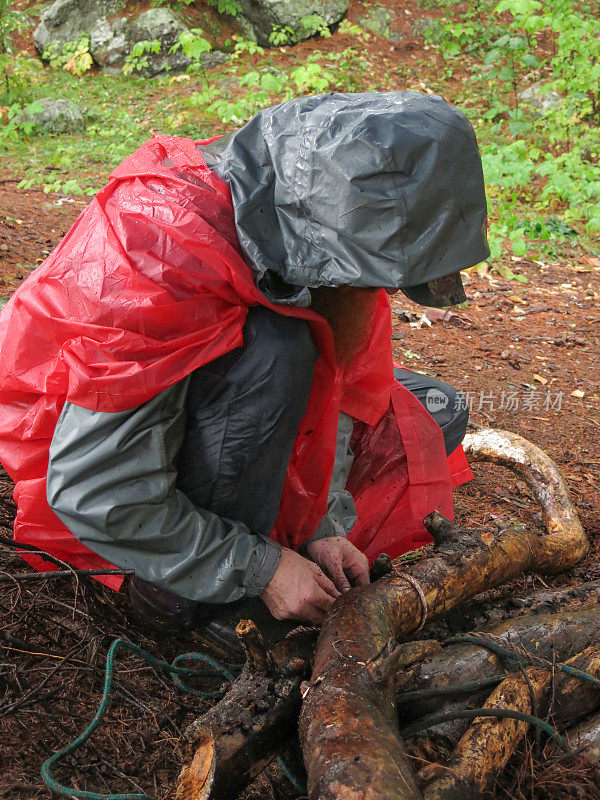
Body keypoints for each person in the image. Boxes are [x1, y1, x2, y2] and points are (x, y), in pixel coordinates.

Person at [0, 92, 489, 650]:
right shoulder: (159, 251)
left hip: (213, 414)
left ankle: (257, 536)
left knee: (431, 410)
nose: (374, 291)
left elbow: (344, 389)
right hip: (86, 459)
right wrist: (262, 569)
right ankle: (184, 593)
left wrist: (321, 528)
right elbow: (94, 488)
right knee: (278, 350)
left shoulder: (334, 244)